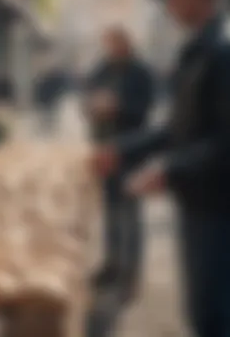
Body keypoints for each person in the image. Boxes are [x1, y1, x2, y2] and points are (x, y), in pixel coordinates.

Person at [93, 0, 230, 336]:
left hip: (218, 207)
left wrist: (170, 171)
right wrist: (122, 149)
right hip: (197, 201)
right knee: (202, 310)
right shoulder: (198, 50)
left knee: (214, 313)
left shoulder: (221, 52)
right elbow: (177, 128)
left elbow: (225, 141)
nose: (168, 8)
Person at [86, 27, 153, 301]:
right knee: (111, 210)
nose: (111, 47)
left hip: (131, 151)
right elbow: (88, 97)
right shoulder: (101, 70)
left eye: (116, 42)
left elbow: (143, 110)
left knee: (131, 214)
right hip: (105, 150)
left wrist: (117, 108)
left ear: (127, 42)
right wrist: (91, 107)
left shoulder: (141, 72)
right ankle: (112, 264)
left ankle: (131, 273)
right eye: (108, 42)